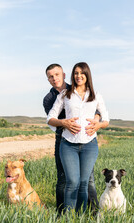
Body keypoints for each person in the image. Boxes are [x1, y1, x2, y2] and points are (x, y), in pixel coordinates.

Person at [47, 62, 109, 213]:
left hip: (89, 145)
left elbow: (106, 118)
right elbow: (50, 118)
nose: (79, 76)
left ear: (87, 75)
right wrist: (63, 122)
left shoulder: (95, 96)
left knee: (83, 182)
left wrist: (97, 124)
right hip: (68, 144)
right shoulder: (65, 95)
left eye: (82, 73)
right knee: (72, 182)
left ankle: (81, 217)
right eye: (76, 73)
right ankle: (67, 218)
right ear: (72, 75)